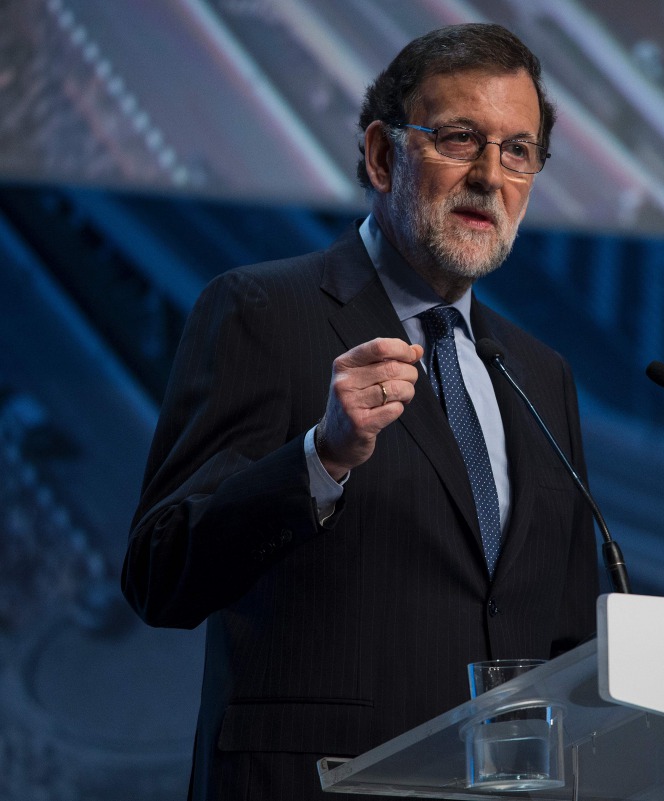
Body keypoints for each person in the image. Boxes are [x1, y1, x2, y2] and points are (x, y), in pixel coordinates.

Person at [122, 23, 600, 800]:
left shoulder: (543, 376)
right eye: (458, 138)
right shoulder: (261, 311)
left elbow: (571, 638)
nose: (489, 174)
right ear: (382, 156)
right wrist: (321, 459)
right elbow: (160, 574)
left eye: (518, 151)